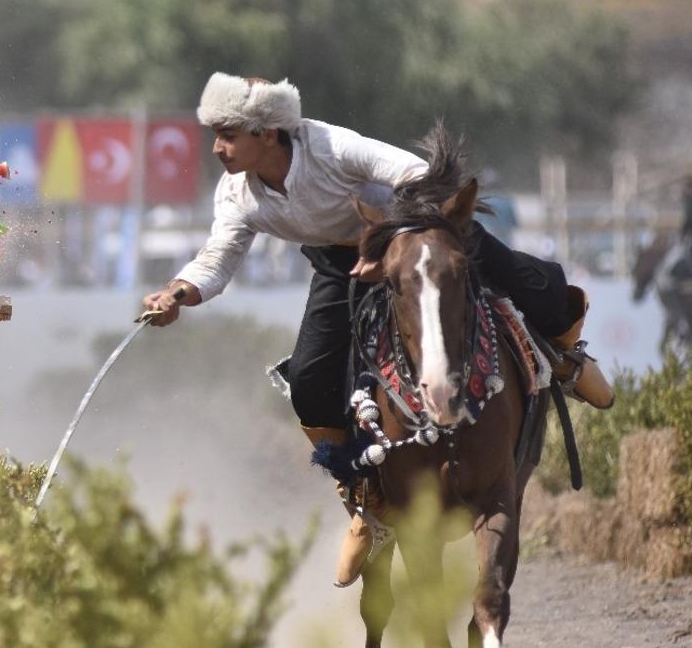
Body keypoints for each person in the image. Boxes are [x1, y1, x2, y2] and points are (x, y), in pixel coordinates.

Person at [142, 72, 614, 587]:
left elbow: (414, 173)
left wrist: (394, 240)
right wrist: (179, 293)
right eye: (216, 134)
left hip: (414, 241)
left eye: (228, 134)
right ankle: (368, 502)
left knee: (537, 287)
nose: (217, 148)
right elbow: (218, 257)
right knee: (311, 387)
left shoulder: (329, 145)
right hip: (342, 269)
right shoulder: (235, 193)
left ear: (267, 134)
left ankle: (567, 359)